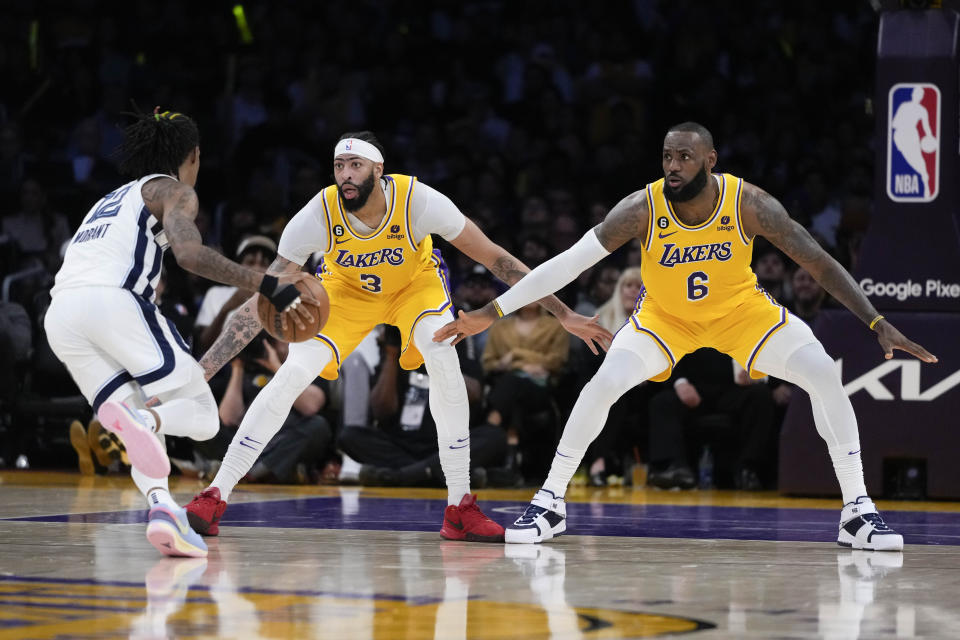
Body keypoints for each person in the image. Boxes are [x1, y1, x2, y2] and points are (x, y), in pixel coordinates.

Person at [436, 122, 937, 550]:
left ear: (710, 161)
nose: (672, 166)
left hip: (742, 314)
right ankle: (550, 501)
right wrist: (494, 309)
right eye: (667, 157)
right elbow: (566, 265)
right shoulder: (641, 207)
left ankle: (857, 510)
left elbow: (819, 262)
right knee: (603, 384)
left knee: (824, 373)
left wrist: (875, 321)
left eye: (684, 157)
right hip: (664, 320)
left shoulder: (750, 204)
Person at [185, 131, 610, 543]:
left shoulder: (419, 201)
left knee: (442, 356)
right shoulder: (316, 215)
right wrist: (205, 367)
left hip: (414, 287)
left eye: (356, 165)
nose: (346, 174)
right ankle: (215, 494)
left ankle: (460, 505)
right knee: (294, 371)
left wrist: (564, 313)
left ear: (379, 169)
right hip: (345, 291)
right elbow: (262, 300)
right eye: (339, 166)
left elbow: (497, 259)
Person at [43, 108, 316, 557]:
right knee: (203, 418)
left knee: (135, 420)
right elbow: (190, 254)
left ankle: (162, 509)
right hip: (112, 301)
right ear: (192, 155)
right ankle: (145, 421)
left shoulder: (109, 199)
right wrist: (268, 284)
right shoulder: (176, 191)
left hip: (61, 316)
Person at [338, 325, 505, 488]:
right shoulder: (397, 336)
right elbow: (382, 410)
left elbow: (474, 393)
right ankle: (432, 474)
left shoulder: (455, 334)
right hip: (401, 444)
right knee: (349, 436)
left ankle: (401, 476)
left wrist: (436, 355)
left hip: (446, 442)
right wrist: (391, 355)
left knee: (494, 437)